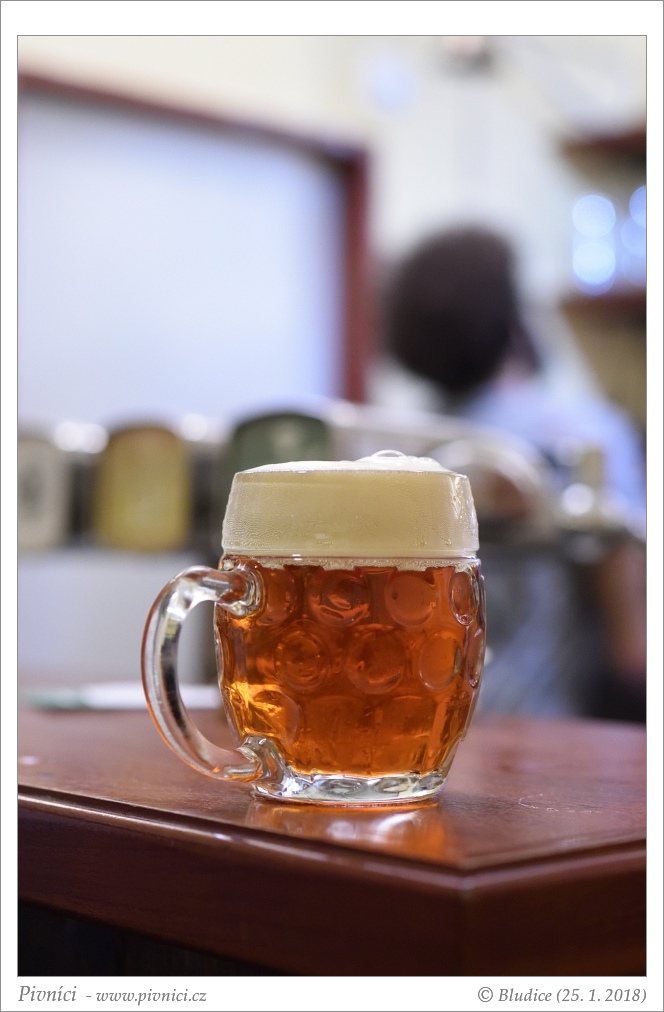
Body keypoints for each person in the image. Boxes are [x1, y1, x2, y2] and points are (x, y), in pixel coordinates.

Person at [384, 226, 646, 721]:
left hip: (425, 716)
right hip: (550, 726)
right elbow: (631, 645)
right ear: (509, 317)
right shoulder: (580, 433)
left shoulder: (407, 443)